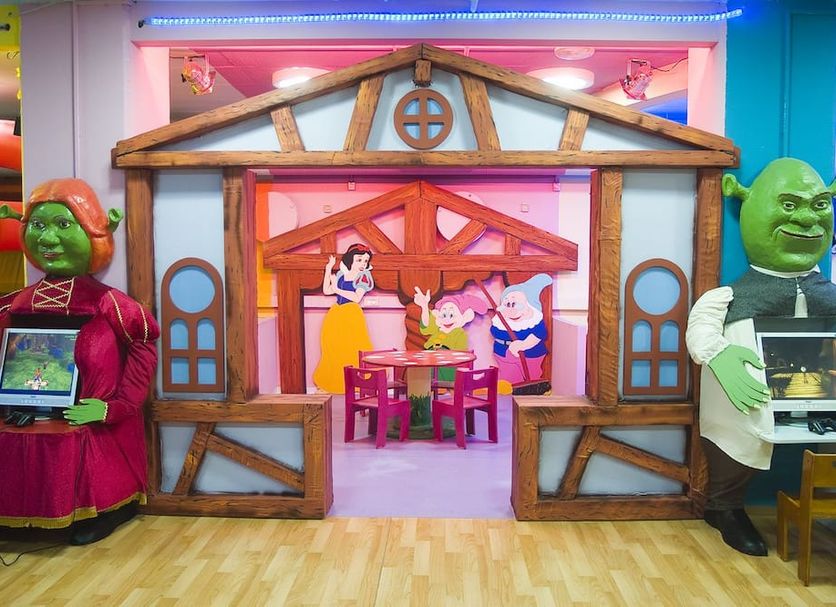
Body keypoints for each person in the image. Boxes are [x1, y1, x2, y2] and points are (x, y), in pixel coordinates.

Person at [686, 158, 836, 556]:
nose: (807, 219)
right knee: (740, 441)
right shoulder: (728, 297)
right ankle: (724, 508)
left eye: (820, 205)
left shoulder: (829, 293)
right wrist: (720, 355)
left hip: (821, 397)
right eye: (789, 205)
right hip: (752, 400)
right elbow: (701, 328)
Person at [0, 178, 159, 545]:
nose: (48, 238)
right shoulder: (15, 304)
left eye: (62, 224)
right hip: (29, 406)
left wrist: (114, 407)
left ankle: (105, 510)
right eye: (37, 225)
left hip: (92, 416)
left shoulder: (109, 304)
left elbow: (144, 344)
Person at [312, 243, 374, 393]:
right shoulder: (341, 274)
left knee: (353, 348)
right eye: (359, 260)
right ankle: (330, 382)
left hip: (352, 314)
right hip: (336, 315)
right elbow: (327, 290)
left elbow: (357, 297)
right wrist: (328, 269)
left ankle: (356, 384)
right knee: (332, 348)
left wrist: (337, 288)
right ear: (350, 259)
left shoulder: (364, 277)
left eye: (365, 261)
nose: (362, 264)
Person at [490, 273, 552, 392]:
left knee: (531, 375)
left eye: (515, 304)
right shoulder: (499, 322)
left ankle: (531, 391)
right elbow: (495, 332)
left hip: (530, 355)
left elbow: (540, 334)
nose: (511, 308)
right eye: (507, 304)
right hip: (503, 355)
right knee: (508, 377)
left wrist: (523, 344)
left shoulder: (533, 322)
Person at [412, 288, 487, 381]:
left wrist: (442, 354)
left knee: (440, 373)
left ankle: (440, 384)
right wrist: (424, 306)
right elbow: (426, 326)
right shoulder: (437, 329)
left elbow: (460, 354)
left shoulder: (460, 333)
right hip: (430, 360)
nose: (447, 319)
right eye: (443, 315)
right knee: (420, 372)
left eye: (451, 315)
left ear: (464, 317)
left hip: (448, 364)